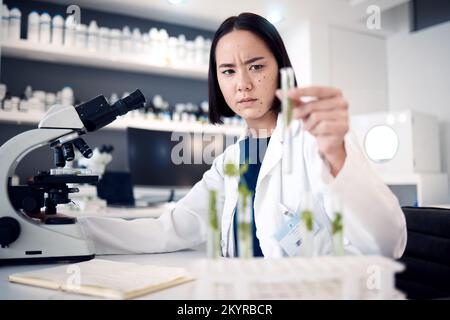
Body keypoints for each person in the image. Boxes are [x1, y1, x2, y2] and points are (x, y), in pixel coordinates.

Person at [79, 13, 406, 258]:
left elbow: (388, 244)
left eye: (256, 66)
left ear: (280, 69)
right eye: (229, 71)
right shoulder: (230, 162)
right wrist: (69, 230)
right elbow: (169, 230)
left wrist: (338, 159)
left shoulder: (318, 141)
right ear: (217, 80)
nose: (243, 84)